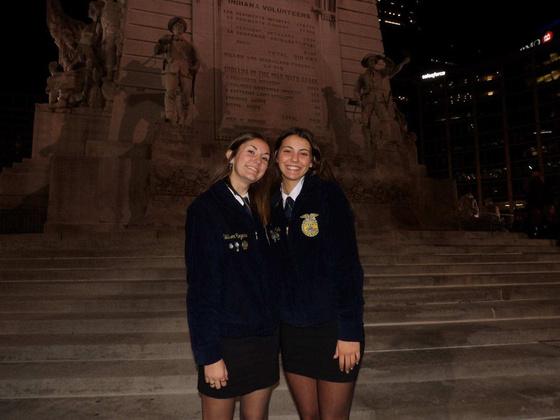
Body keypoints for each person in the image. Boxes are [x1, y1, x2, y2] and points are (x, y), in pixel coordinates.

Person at [268, 127, 364, 420]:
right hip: (292, 331)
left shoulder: (327, 195)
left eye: (303, 153)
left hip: (332, 328)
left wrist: (349, 331)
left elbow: (347, 266)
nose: (294, 159)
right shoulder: (268, 202)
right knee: (309, 416)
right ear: (276, 156)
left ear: (312, 162)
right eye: (287, 151)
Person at [185, 133, 278, 420]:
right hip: (226, 339)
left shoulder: (263, 208)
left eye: (264, 158)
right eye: (251, 152)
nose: (257, 161)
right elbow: (201, 288)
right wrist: (209, 355)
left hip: (263, 339)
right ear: (231, 156)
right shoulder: (206, 209)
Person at [355, 54, 410, 153]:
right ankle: (367, 142)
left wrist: (383, 58)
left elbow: (391, 67)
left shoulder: (380, 73)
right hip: (368, 100)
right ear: (366, 63)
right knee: (365, 122)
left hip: (379, 100)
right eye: (370, 61)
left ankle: (385, 141)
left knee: (385, 119)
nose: (372, 62)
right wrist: (358, 100)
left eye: (374, 61)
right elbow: (356, 90)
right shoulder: (362, 76)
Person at [155, 17, 200, 125]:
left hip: (186, 72)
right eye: (176, 26)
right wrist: (161, 42)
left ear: (184, 29)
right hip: (172, 69)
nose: (178, 29)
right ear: (172, 29)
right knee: (170, 92)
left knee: (185, 96)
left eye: (181, 27)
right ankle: (169, 116)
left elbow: (197, 60)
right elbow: (157, 51)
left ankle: (183, 118)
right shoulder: (167, 41)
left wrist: (194, 68)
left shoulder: (189, 45)